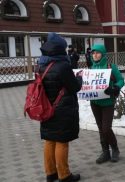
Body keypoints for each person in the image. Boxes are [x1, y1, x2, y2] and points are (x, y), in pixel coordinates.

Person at [39, 33, 82, 182]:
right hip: (62, 109)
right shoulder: (63, 65)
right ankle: (64, 175)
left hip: (46, 108)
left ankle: (51, 173)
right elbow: (74, 87)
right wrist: (79, 78)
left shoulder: (42, 64)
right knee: (62, 142)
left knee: (50, 140)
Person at [90, 44, 125, 164]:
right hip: (95, 102)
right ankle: (105, 151)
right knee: (100, 128)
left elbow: (121, 80)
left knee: (106, 129)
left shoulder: (111, 67)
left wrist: (115, 88)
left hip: (107, 102)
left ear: (103, 54)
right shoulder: (91, 69)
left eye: (97, 53)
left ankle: (115, 149)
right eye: (93, 53)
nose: (95, 55)